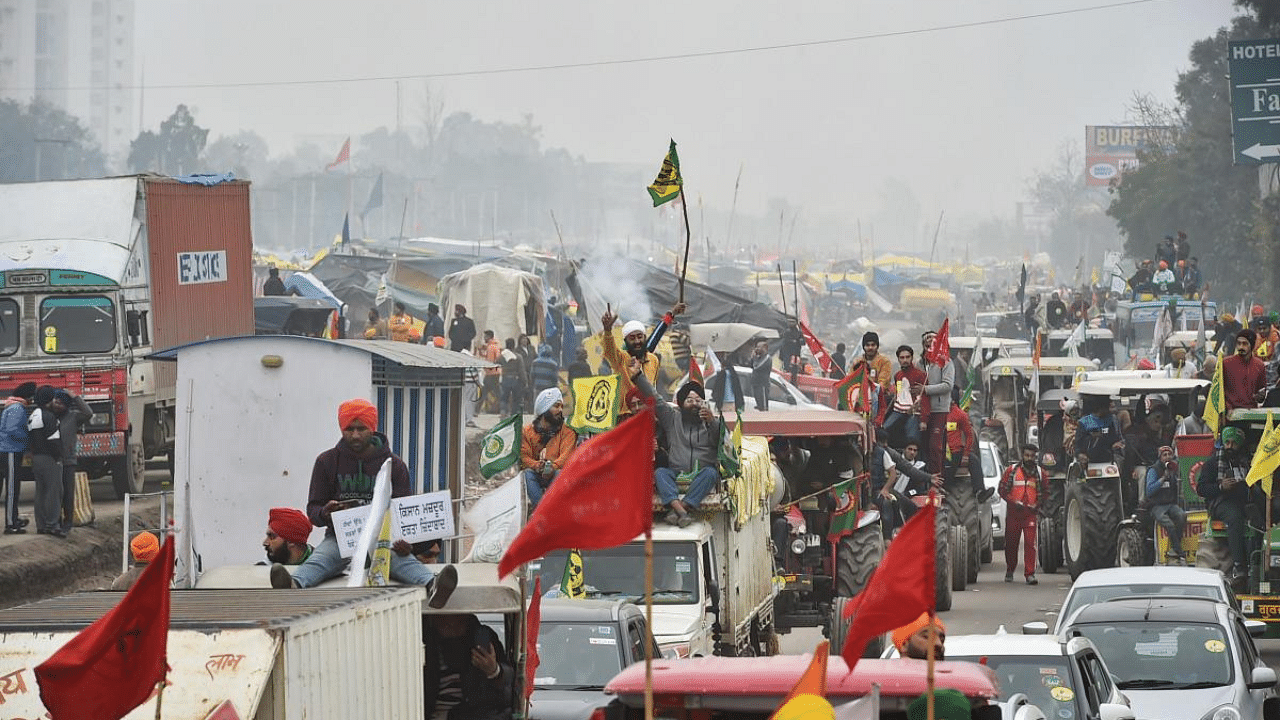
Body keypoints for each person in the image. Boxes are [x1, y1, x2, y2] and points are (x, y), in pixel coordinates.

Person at [271, 398, 458, 605]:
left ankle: (434, 586)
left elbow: (403, 512)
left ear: (372, 428)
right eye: (349, 429)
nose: (355, 435)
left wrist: (409, 545)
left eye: (361, 429)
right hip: (341, 539)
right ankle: (292, 585)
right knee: (320, 560)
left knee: (402, 562)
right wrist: (326, 512)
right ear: (341, 429)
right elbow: (313, 510)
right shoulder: (326, 462)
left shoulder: (394, 466)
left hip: (383, 541)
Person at [634, 368, 720, 528]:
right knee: (660, 473)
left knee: (711, 473)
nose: (694, 404)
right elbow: (656, 399)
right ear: (681, 404)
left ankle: (678, 510)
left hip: (701, 474)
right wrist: (637, 377)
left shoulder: (711, 421)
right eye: (689, 400)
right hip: (677, 473)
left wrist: (712, 423)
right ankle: (682, 512)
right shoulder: (672, 418)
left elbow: (721, 443)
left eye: (698, 401)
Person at [422, 613, 513, 720]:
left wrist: (494, 671)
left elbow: (507, 694)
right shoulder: (423, 641)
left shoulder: (482, 638)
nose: (449, 626)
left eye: (457, 622)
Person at [1197, 426, 1251, 586]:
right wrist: (1221, 487)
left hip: (1244, 501)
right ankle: (1239, 567)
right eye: (1227, 442)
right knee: (1234, 518)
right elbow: (1201, 488)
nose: (1229, 446)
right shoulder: (1213, 463)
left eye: (1234, 443)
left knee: (1258, 522)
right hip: (1221, 502)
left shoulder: (1247, 462)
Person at [999, 444, 1048, 585]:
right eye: (1027, 455)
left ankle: (1030, 574)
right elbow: (1002, 490)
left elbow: (1045, 493)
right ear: (1022, 455)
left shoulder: (1040, 473)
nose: (1029, 458)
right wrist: (1013, 501)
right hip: (1014, 514)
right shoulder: (1011, 471)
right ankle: (1010, 569)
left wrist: (1037, 505)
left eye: (1032, 456)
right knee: (1011, 544)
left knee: (1030, 543)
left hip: (1030, 514)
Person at [520, 388, 577, 508]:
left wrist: (553, 467)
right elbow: (524, 456)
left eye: (561, 406)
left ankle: (554, 510)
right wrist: (537, 465)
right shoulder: (527, 431)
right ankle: (541, 511)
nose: (560, 410)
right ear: (544, 408)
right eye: (556, 406)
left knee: (559, 474)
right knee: (527, 474)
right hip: (537, 474)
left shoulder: (567, 431)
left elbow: (566, 456)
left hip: (557, 474)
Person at [51, 389, 91, 535]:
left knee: (68, 492)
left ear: (67, 405)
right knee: (56, 493)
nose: (57, 405)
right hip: (54, 461)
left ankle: (67, 522)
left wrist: (76, 398)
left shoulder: (73, 417)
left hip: (68, 461)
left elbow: (88, 413)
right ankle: (56, 521)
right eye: (55, 401)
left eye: (60, 403)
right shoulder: (50, 417)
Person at [28, 385, 64, 538]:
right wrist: (58, 457)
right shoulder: (49, 416)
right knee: (53, 492)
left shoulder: (33, 415)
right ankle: (52, 525)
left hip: (36, 458)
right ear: (49, 399)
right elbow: (54, 441)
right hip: (49, 458)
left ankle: (41, 525)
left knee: (41, 492)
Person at [1, 381, 36, 534]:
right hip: (11, 451)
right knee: (12, 489)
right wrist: (28, 438)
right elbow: (13, 430)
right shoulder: (17, 409)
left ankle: (14, 519)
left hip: (11, 450)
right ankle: (10, 524)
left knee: (13, 488)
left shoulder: (13, 407)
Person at [920, 330, 955, 474]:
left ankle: (937, 477)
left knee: (936, 446)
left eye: (934, 339)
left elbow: (948, 385)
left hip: (939, 409)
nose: (930, 341)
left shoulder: (946, 362)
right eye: (927, 339)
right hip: (921, 409)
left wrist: (926, 389)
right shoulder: (918, 363)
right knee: (922, 445)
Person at [1143, 447, 1187, 562]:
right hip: (1156, 505)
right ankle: (1177, 550)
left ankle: (1174, 548)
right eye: (1164, 455)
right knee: (1169, 523)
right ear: (1160, 457)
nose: (1167, 457)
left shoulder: (1173, 469)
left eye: (1169, 454)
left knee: (1182, 516)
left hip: (1170, 504)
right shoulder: (1153, 470)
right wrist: (1162, 479)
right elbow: (1149, 490)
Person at [883, 345, 926, 448]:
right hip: (898, 411)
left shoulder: (920, 375)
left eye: (907, 357)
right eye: (902, 358)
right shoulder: (898, 375)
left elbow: (925, 398)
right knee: (883, 430)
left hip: (914, 412)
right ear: (898, 359)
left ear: (912, 358)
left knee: (912, 439)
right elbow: (899, 392)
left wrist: (924, 419)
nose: (905, 360)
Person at [1223, 329, 1266, 414]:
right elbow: (1219, 390)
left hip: (1251, 412)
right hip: (1231, 413)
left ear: (1252, 345)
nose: (1241, 347)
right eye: (1239, 343)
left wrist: (1260, 396)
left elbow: (1261, 390)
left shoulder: (1259, 365)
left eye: (1245, 344)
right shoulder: (1226, 363)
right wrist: (1227, 407)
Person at [498, 338, 525, 416]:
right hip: (515, 379)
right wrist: (524, 381)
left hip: (505, 378)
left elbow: (496, 362)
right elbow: (521, 371)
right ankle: (513, 414)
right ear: (514, 345)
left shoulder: (502, 356)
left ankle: (503, 412)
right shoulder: (518, 357)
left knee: (504, 397)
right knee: (516, 398)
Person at [480, 331, 502, 413]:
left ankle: (476, 410)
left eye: (485, 336)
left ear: (489, 337)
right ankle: (503, 408)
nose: (484, 338)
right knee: (497, 392)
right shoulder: (495, 346)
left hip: (490, 373)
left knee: (484, 392)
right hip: (496, 372)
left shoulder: (490, 347)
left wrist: (486, 368)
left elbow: (490, 361)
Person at [749, 339, 773, 411]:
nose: (757, 349)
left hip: (762, 384)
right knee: (758, 402)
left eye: (759, 347)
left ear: (765, 348)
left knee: (763, 405)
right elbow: (751, 366)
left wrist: (754, 358)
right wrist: (752, 358)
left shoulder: (767, 358)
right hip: (756, 383)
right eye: (756, 347)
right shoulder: (758, 357)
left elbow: (757, 367)